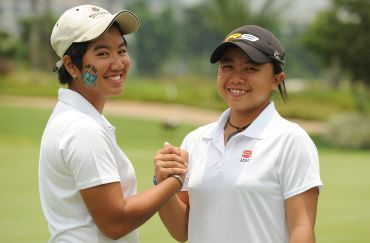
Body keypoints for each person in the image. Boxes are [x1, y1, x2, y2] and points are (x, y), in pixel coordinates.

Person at [154, 25, 323, 243]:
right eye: (227, 67)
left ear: (276, 80)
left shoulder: (290, 140)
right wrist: (163, 181)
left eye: (250, 69)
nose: (236, 78)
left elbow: (302, 228)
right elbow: (182, 231)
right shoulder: (196, 140)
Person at [38, 5, 187, 243]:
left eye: (121, 51)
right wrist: (174, 181)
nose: (118, 63)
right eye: (103, 54)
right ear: (72, 66)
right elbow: (115, 222)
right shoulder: (82, 129)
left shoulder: (75, 119)